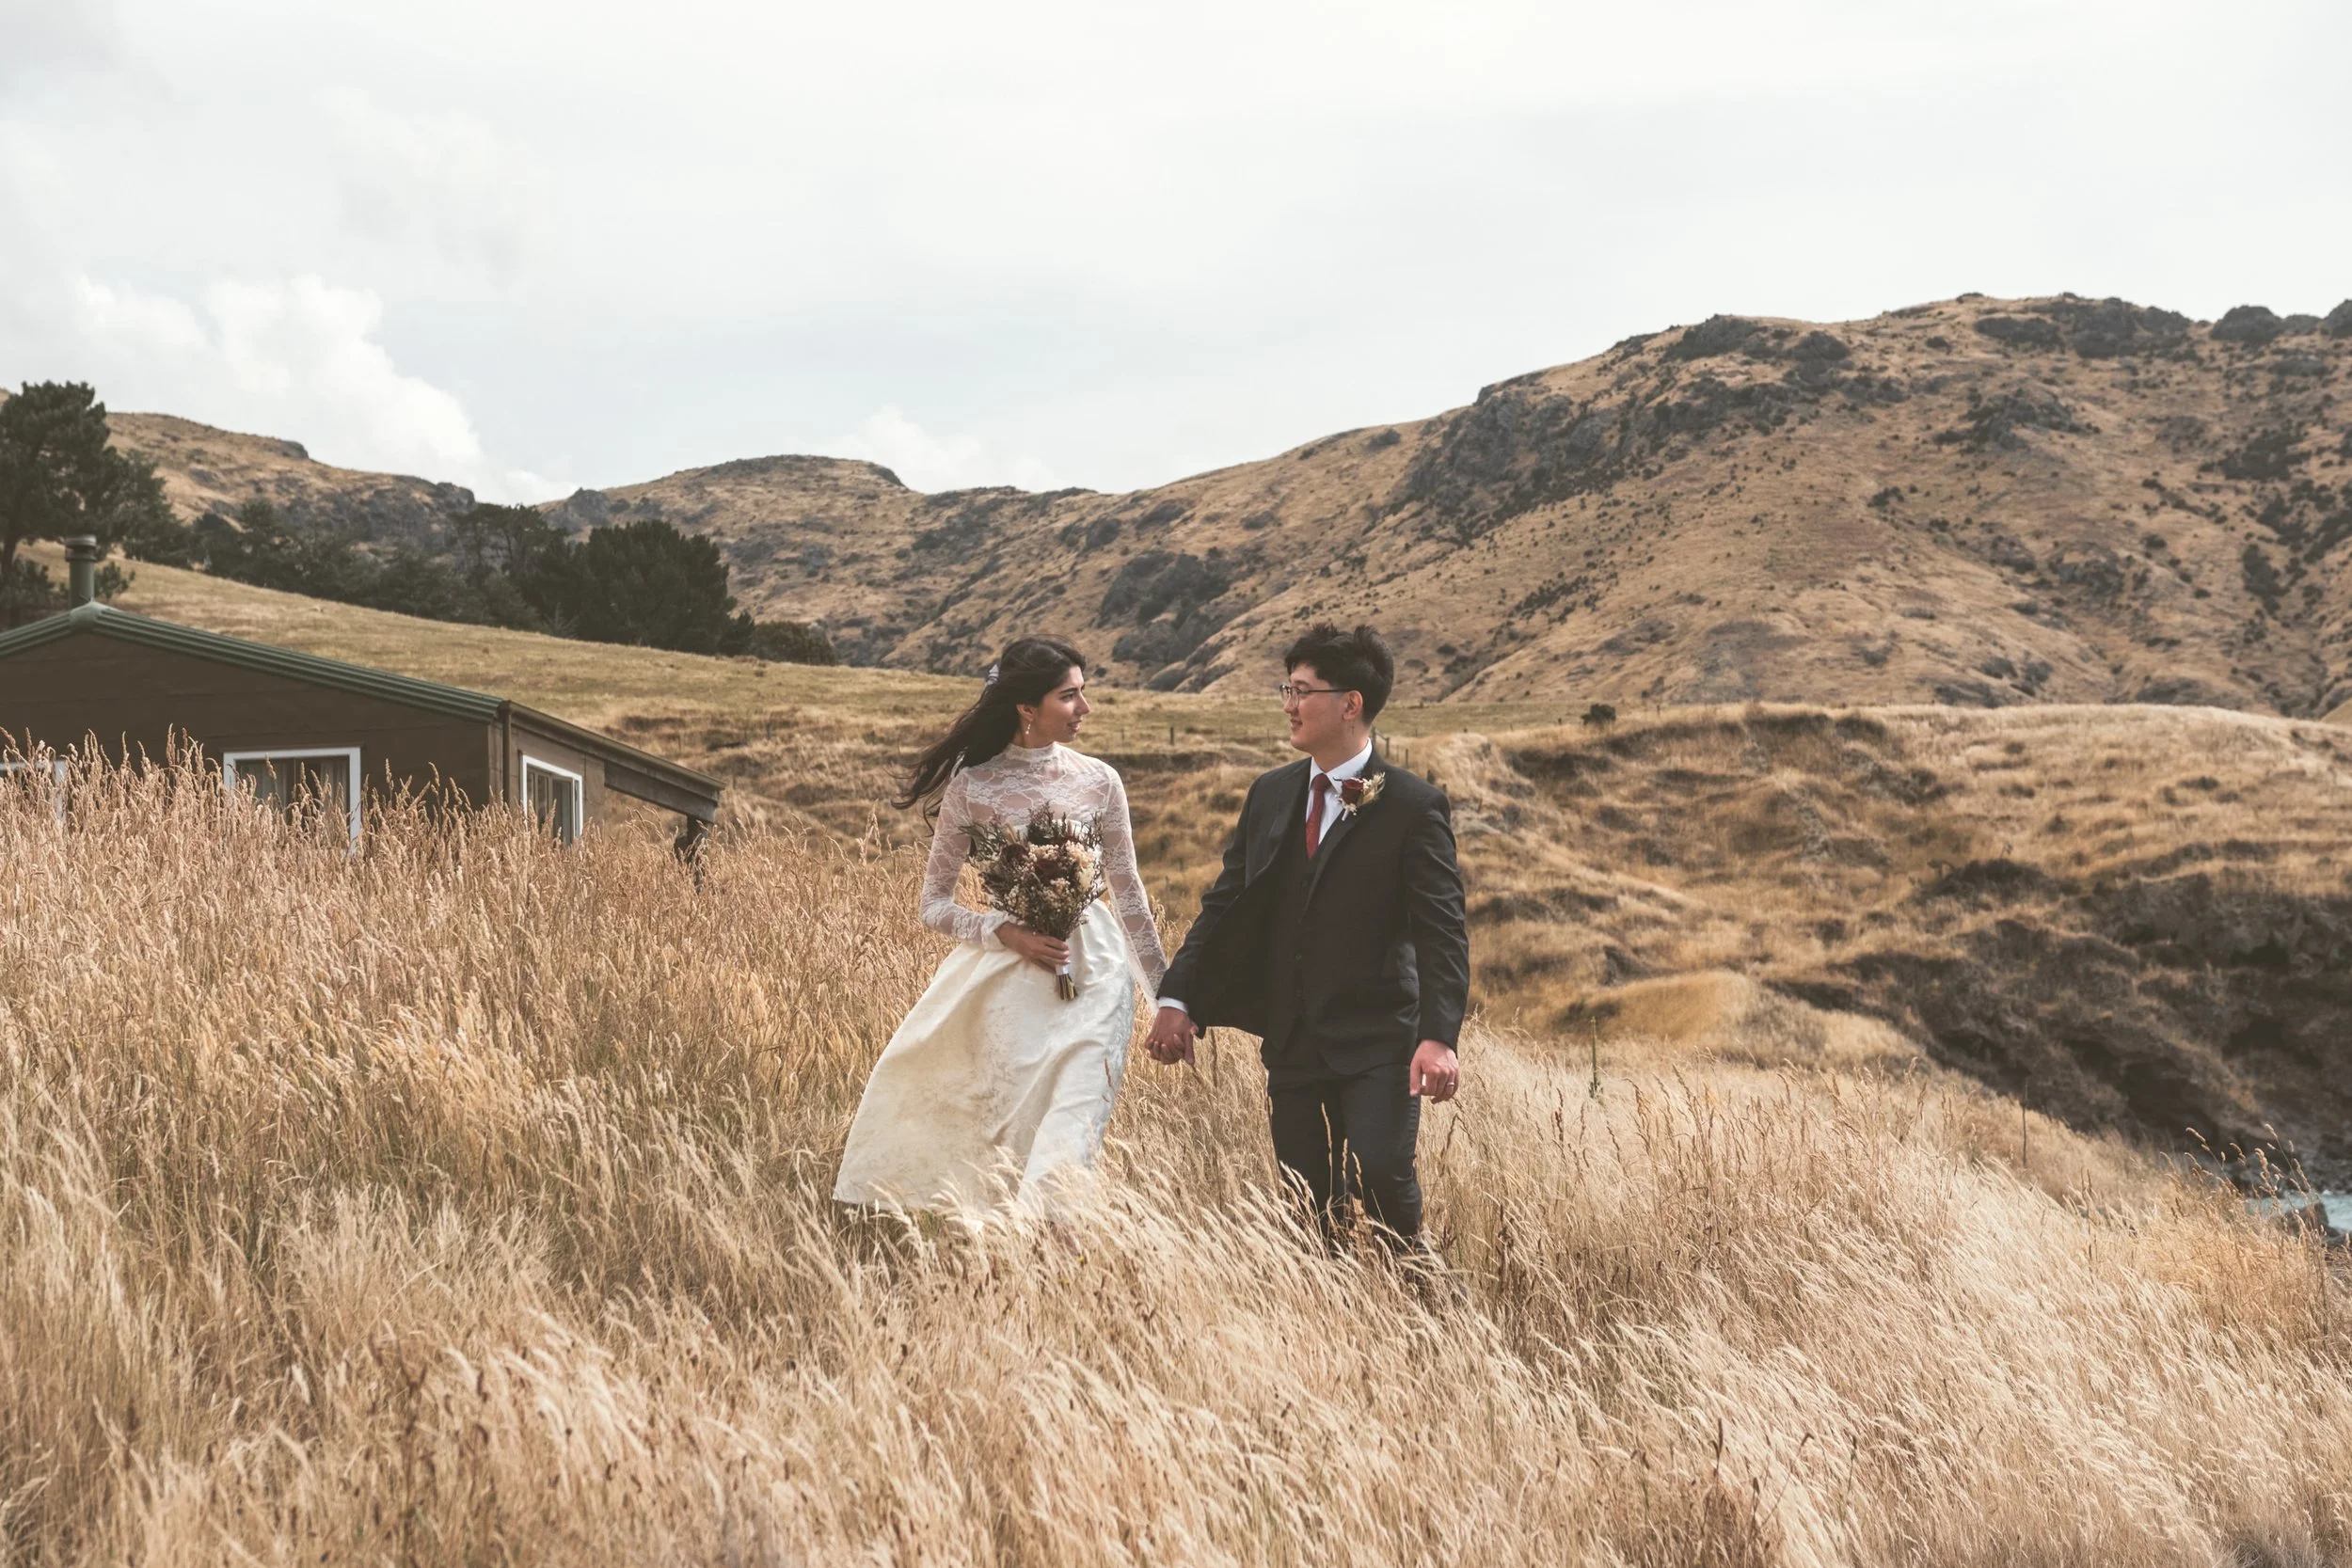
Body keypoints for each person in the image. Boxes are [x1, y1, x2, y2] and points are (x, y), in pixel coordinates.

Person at [1146, 623, 1469, 1248]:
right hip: (1292, 1038)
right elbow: (1224, 904)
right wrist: (1178, 997)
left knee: (1382, 1175)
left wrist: (1438, 1037)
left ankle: (1417, 1289)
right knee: (1305, 1203)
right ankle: (1326, 1300)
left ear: (1351, 704)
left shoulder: (1413, 805)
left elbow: (1443, 933)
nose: (1289, 705)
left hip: (1380, 1038)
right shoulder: (1270, 793)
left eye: (1302, 691)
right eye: (1287, 690)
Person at [834, 638, 1168, 1215]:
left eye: (1083, 693)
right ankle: (1008, 1243)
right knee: (1008, 1132)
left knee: (1075, 1124)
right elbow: (933, 904)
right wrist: (1005, 932)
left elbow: (1129, 895)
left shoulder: (1100, 781)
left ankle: (1054, 1240)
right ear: (1026, 707)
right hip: (1012, 986)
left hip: (1096, 974)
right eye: (1069, 696)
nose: (1085, 708)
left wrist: (1168, 998)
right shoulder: (973, 788)